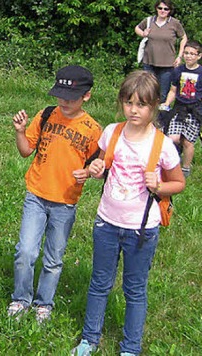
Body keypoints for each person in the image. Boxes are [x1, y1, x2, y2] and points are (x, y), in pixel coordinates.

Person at [72, 70, 185, 356]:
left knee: (135, 290)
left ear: (155, 105)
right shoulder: (113, 132)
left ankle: (131, 348)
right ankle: (89, 340)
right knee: (99, 283)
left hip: (142, 229)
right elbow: (100, 164)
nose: (134, 110)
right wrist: (94, 169)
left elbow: (178, 183)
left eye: (142, 104)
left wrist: (159, 185)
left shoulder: (162, 145)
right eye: (129, 103)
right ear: (122, 102)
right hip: (107, 222)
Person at [8, 65, 102, 323]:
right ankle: (20, 298)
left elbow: (98, 165)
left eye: (71, 98)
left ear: (86, 96)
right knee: (26, 251)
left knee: (53, 258)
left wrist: (89, 172)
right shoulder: (46, 115)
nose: (64, 102)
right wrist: (19, 131)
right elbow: (26, 150)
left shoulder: (92, 129)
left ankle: (44, 303)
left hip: (65, 202)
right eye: (60, 95)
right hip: (36, 195)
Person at [160, 40, 202, 178]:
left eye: (192, 54)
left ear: (199, 56)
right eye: (186, 53)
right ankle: (171, 162)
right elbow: (173, 90)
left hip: (195, 111)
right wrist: (166, 103)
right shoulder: (178, 71)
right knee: (172, 138)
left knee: (188, 142)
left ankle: (185, 168)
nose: (189, 56)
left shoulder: (201, 72)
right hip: (179, 108)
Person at [135, 0, 187, 102]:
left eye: (166, 9)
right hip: (149, 62)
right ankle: (148, 116)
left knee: (163, 94)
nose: (162, 11)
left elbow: (184, 37)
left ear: (170, 11)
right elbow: (137, 28)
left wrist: (180, 56)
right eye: (160, 8)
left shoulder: (174, 23)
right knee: (148, 92)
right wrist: (143, 33)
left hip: (167, 65)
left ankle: (161, 116)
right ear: (156, 8)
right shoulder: (149, 20)